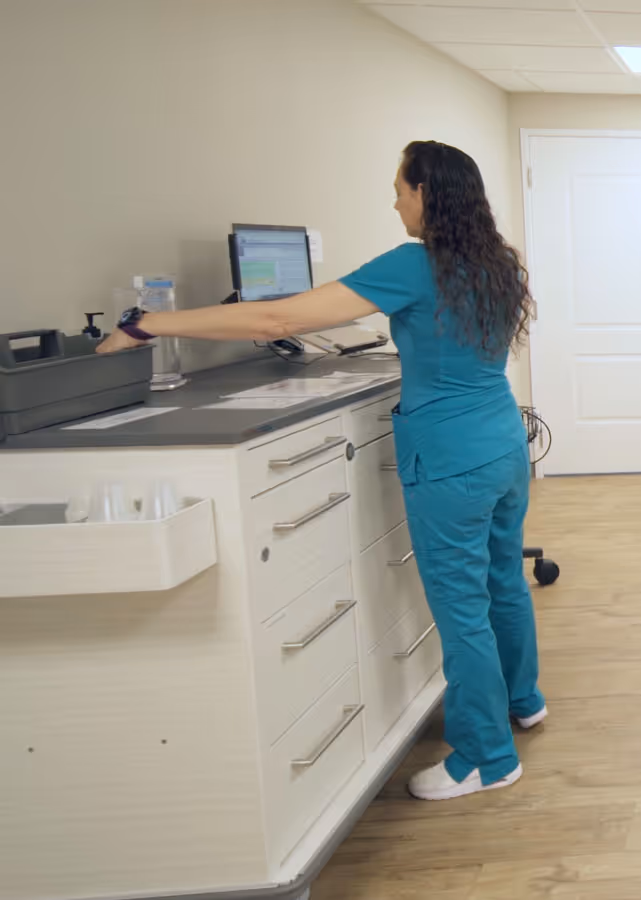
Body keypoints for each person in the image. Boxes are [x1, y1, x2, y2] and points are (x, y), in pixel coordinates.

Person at [98, 140, 546, 800]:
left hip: (449, 462)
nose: (394, 200)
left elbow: (279, 316)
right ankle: (524, 700)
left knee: (462, 610)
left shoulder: (415, 265)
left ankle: (486, 756)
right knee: (502, 580)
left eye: (400, 188)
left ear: (428, 194)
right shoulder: (495, 264)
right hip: (503, 447)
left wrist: (148, 325)